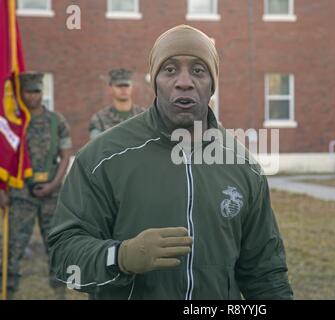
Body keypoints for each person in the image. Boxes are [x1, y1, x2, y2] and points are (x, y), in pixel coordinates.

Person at [48, 25, 293, 300]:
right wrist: (120, 257)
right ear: (155, 80)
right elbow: (63, 255)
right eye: (170, 70)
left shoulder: (243, 166)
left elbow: (265, 273)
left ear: (213, 84)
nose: (184, 81)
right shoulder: (101, 159)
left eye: (199, 70)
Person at [0, 72, 72, 299]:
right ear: (21, 93)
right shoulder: (13, 123)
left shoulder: (56, 121)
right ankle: (8, 291)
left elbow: (65, 154)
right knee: (12, 249)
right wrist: (2, 190)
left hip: (51, 195)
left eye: (37, 91)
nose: (34, 96)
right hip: (21, 195)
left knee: (57, 248)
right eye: (29, 91)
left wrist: (54, 184)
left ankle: (60, 293)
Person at [89, 68, 144, 140]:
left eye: (126, 85)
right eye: (119, 86)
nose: (123, 89)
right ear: (110, 88)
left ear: (132, 87)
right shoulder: (99, 119)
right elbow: (96, 148)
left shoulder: (143, 116)